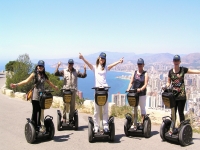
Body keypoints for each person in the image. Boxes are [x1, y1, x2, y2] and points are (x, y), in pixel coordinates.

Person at [79, 52, 123, 133]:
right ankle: (96, 126)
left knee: (105, 109)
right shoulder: (95, 67)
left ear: (105, 60)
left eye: (103, 58)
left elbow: (112, 65)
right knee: (96, 110)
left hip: (105, 90)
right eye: (101, 58)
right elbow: (88, 64)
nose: (102, 59)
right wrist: (82, 58)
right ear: (99, 58)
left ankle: (105, 125)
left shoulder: (105, 68)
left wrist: (119, 61)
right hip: (97, 90)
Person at [10, 60, 58, 133]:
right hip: (35, 96)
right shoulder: (34, 74)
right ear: (37, 66)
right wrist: (16, 85)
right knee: (35, 111)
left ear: (43, 67)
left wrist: (55, 87)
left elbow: (49, 82)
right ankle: (34, 125)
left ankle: (40, 125)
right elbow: (26, 81)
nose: (40, 67)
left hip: (42, 96)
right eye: (39, 66)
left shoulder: (44, 76)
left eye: (41, 66)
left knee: (41, 110)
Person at [164, 55, 200, 134]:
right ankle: (171, 128)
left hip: (181, 96)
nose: (176, 62)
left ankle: (182, 129)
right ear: (173, 61)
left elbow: (193, 71)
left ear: (180, 62)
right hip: (173, 96)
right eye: (175, 60)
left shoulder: (183, 70)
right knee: (173, 113)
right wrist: (165, 86)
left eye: (177, 60)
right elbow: (168, 82)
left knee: (180, 113)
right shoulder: (170, 72)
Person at [54, 59, 87, 123]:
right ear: (68, 64)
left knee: (72, 105)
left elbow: (83, 76)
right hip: (66, 90)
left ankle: (71, 118)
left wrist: (85, 69)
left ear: (73, 64)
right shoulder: (64, 71)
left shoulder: (76, 71)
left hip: (73, 90)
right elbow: (56, 74)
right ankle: (64, 118)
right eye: (69, 64)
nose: (70, 65)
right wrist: (57, 66)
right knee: (65, 104)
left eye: (71, 64)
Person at [126, 58, 149, 130]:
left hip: (142, 93)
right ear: (137, 65)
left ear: (143, 65)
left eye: (141, 64)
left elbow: (145, 84)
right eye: (138, 64)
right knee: (134, 108)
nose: (140, 65)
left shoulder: (145, 73)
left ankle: (142, 123)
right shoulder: (134, 72)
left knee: (142, 108)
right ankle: (134, 123)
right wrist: (128, 88)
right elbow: (131, 82)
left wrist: (140, 89)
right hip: (134, 94)